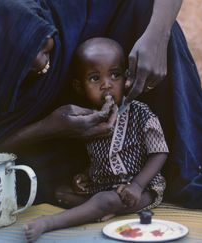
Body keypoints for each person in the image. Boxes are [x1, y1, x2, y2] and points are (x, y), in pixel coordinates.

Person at [0, 0, 202, 213]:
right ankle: (93, 179)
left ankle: (184, 171)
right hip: (47, 142)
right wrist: (48, 127)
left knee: (143, 10)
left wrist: (157, 36)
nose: (47, 68)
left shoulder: (55, 14)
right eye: (32, 66)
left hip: (83, 89)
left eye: (47, 48)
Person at [24, 37, 169, 241]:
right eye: (94, 78)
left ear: (126, 78)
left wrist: (137, 186)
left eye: (115, 75)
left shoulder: (140, 112)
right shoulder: (88, 121)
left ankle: (49, 222)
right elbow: (101, 160)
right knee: (60, 193)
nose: (106, 85)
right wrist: (85, 176)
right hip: (104, 186)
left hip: (142, 189)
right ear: (79, 86)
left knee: (105, 200)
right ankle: (100, 210)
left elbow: (160, 152)